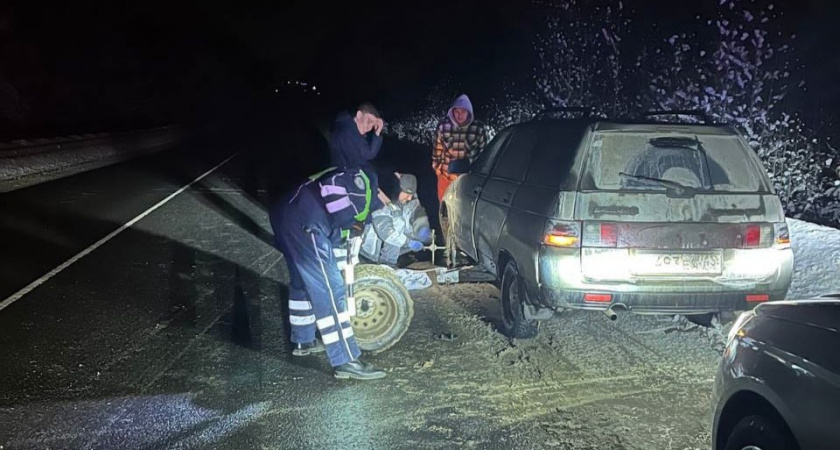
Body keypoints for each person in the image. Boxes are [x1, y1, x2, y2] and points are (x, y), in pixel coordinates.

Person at [268, 166, 387, 380]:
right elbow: (342, 235)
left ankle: (304, 339)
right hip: (307, 222)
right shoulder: (362, 194)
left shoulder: (350, 177)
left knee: (302, 279)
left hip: (284, 211)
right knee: (332, 289)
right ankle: (346, 359)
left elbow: (337, 235)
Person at [360, 173, 433, 267]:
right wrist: (409, 242)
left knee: (410, 230)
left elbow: (417, 214)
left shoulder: (404, 201)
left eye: (411, 195)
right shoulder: (380, 201)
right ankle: (387, 264)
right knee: (399, 222)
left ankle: (390, 263)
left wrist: (422, 228)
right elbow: (386, 232)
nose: (409, 198)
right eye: (407, 194)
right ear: (398, 190)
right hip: (370, 255)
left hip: (391, 248)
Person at [431, 94, 489, 201]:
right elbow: (437, 149)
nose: (459, 115)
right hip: (446, 178)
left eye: (463, 112)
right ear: (452, 112)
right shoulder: (443, 126)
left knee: (463, 210)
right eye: (457, 111)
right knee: (444, 210)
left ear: (469, 112)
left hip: (467, 181)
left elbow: (485, 154)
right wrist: (437, 169)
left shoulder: (478, 129)